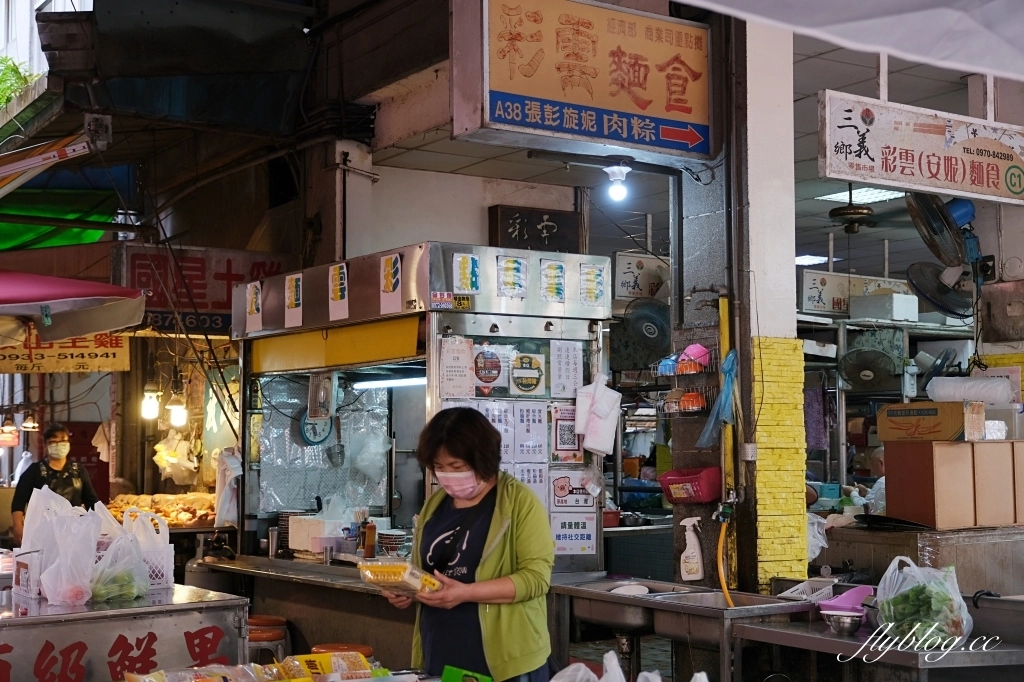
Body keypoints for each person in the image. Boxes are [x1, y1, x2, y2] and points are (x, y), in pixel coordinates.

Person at [383, 407, 554, 682]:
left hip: (504, 663)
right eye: (439, 468)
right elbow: (424, 571)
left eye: (457, 467)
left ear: (482, 459)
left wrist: (465, 593)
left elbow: (536, 579)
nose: (447, 476)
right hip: (439, 653)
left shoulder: (519, 503)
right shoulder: (435, 505)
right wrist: (407, 590)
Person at [11, 423, 100, 545]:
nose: (59, 445)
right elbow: (18, 503)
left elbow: (92, 501)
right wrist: (18, 527)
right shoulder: (34, 471)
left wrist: (102, 524)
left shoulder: (78, 470)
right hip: (42, 533)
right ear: (46, 445)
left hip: (74, 531)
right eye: (54, 442)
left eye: (63, 441)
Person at [842, 445, 885, 515]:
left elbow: (865, 508)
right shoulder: (891, 480)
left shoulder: (882, 481)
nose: (873, 471)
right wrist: (867, 492)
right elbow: (879, 498)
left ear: (881, 463)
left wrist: (852, 493)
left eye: (873, 465)